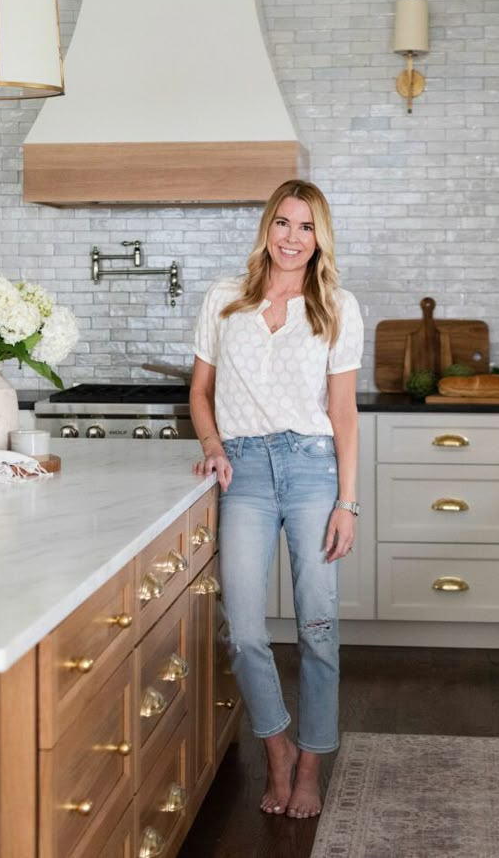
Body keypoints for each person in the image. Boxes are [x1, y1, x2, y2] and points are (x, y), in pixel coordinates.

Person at [189, 178, 363, 820]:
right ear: (268, 228)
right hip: (246, 474)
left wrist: (348, 502)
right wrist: (212, 443)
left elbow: (343, 412)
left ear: (321, 239)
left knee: (318, 626)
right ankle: (277, 749)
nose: (293, 238)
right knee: (241, 628)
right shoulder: (223, 300)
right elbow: (200, 391)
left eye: (307, 227)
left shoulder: (338, 306)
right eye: (284, 223)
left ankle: (311, 762)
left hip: (314, 470)